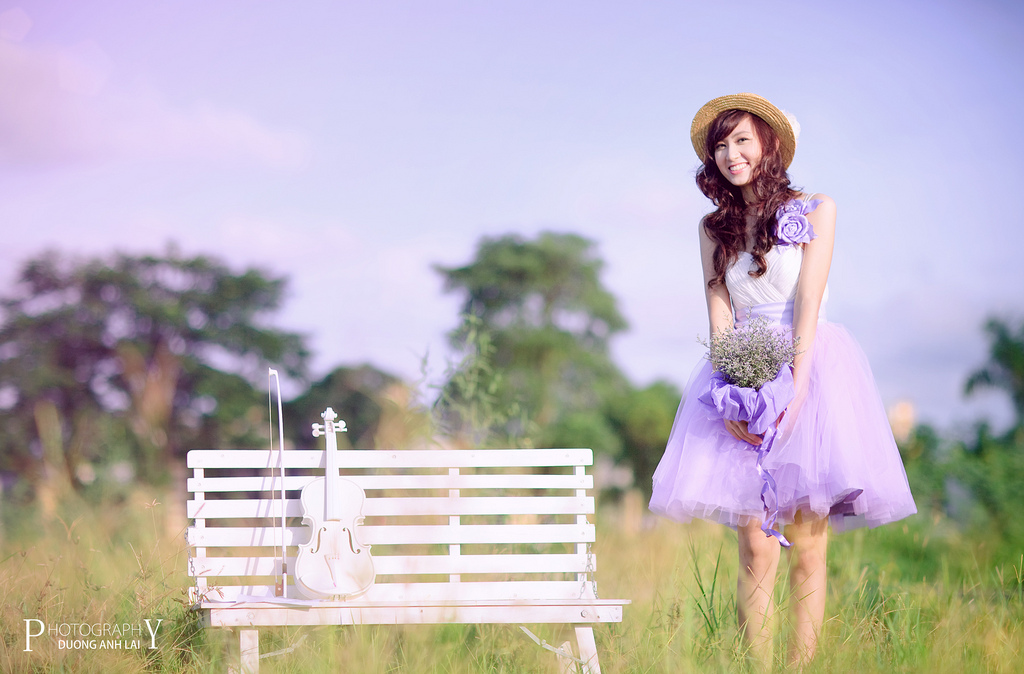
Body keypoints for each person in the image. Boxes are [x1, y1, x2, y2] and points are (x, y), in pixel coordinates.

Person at [648, 93, 916, 667]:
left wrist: (796, 390)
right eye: (720, 146)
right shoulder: (712, 227)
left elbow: (809, 304)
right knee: (754, 544)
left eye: (742, 140)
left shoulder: (816, 209)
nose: (731, 154)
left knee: (808, 547)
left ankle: (802, 666)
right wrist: (730, 396)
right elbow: (719, 314)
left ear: (768, 144)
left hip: (811, 369)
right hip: (742, 371)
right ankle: (758, 666)